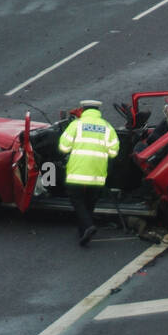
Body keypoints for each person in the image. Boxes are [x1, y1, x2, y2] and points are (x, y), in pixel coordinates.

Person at [58, 99, 121, 246]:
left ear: (83, 110)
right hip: (97, 174)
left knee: (77, 200)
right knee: (90, 201)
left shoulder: (76, 125)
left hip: (77, 172)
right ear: (98, 111)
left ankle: (88, 226)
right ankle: (83, 232)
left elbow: (63, 147)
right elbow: (113, 152)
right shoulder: (107, 127)